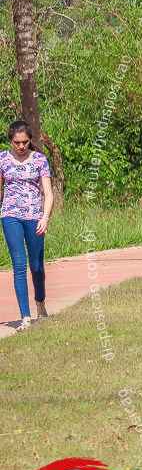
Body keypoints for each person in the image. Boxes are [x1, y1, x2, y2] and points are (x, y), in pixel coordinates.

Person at [0, 121, 54, 332]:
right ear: (11, 140)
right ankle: (25, 317)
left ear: (30, 140)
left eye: (24, 142)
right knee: (19, 265)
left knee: (37, 266)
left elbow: (48, 193)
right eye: (17, 142)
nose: (21, 146)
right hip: (10, 215)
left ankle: (40, 303)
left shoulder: (40, 160)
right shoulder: (3, 159)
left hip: (34, 216)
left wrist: (45, 218)